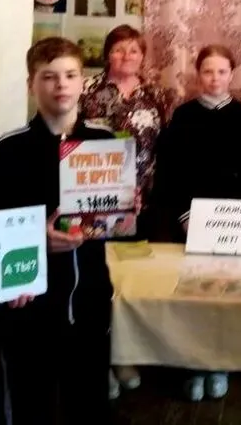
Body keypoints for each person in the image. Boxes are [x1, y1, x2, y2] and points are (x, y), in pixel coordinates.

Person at [0, 37, 117, 424]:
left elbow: (115, 225)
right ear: (31, 84)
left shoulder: (105, 143)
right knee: (31, 407)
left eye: (70, 75)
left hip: (89, 300)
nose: (61, 84)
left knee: (89, 406)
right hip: (29, 307)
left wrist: (121, 211)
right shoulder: (8, 149)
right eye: (48, 76)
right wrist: (36, 239)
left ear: (83, 82)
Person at [149, 44, 241, 401]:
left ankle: (220, 364)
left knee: (229, 295)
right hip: (191, 223)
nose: (214, 78)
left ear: (232, 74)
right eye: (207, 71)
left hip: (233, 226)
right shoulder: (183, 116)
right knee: (194, 296)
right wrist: (185, 215)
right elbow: (170, 171)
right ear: (197, 74)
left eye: (222, 72)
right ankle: (193, 365)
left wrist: (236, 218)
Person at [80, 24, 176, 393]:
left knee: (131, 280)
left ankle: (125, 356)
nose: (126, 56)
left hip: (143, 204)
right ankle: (99, 359)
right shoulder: (88, 91)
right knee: (99, 281)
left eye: (133, 50)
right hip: (97, 204)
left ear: (142, 56)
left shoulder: (156, 94)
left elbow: (165, 146)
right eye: (119, 49)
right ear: (107, 53)